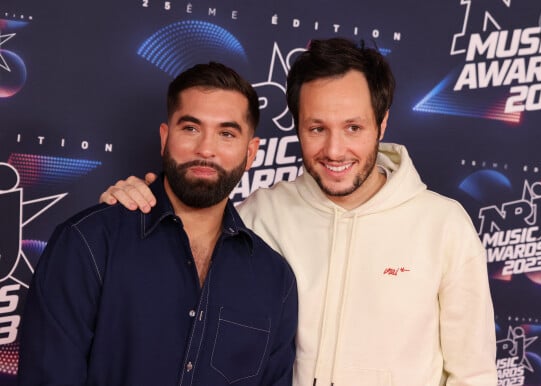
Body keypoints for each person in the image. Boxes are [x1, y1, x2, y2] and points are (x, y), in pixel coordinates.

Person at [100, 38, 497, 385]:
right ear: (296, 128)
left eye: (353, 128)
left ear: (382, 123)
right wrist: (134, 199)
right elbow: (181, 241)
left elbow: (473, 376)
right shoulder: (260, 215)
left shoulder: (444, 226)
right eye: (316, 128)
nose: (335, 150)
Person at [18, 62, 298, 386]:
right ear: (165, 137)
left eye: (226, 133)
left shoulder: (274, 280)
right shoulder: (88, 244)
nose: (206, 148)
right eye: (191, 128)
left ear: (250, 153)